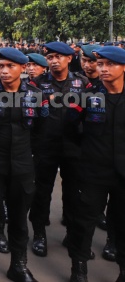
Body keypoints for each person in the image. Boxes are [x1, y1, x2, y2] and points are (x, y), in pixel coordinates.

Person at [0, 48, 46, 282]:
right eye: (1, 66)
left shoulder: (36, 95)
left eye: (10, 66)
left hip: (22, 167)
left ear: (23, 68)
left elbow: (40, 132)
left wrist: (28, 157)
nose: (3, 71)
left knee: (19, 220)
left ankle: (19, 266)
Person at [64, 46, 125, 282]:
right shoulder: (87, 97)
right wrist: (88, 147)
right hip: (92, 170)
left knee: (121, 221)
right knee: (84, 221)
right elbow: (70, 126)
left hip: (123, 173)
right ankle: (78, 268)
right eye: (100, 64)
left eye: (110, 64)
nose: (103, 69)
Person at [29, 42, 90, 258]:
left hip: (73, 146)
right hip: (46, 146)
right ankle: (39, 233)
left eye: (58, 57)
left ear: (69, 58)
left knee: (73, 192)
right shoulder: (37, 84)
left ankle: (72, 234)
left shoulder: (82, 84)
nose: (53, 60)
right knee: (41, 191)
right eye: (50, 57)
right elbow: (31, 117)